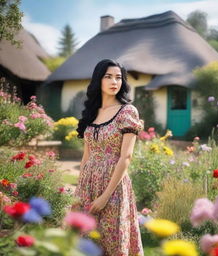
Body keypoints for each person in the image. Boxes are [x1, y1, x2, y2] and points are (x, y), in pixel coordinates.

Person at [75, 59, 144, 256]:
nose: (114, 81)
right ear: (99, 80)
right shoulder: (92, 113)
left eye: (118, 77)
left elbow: (126, 157)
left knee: (111, 241)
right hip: (87, 184)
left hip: (113, 186)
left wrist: (105, 196)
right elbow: (87, 155)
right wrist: (80, 190)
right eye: (108, 77)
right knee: (84, 241)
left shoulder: (127, 111)